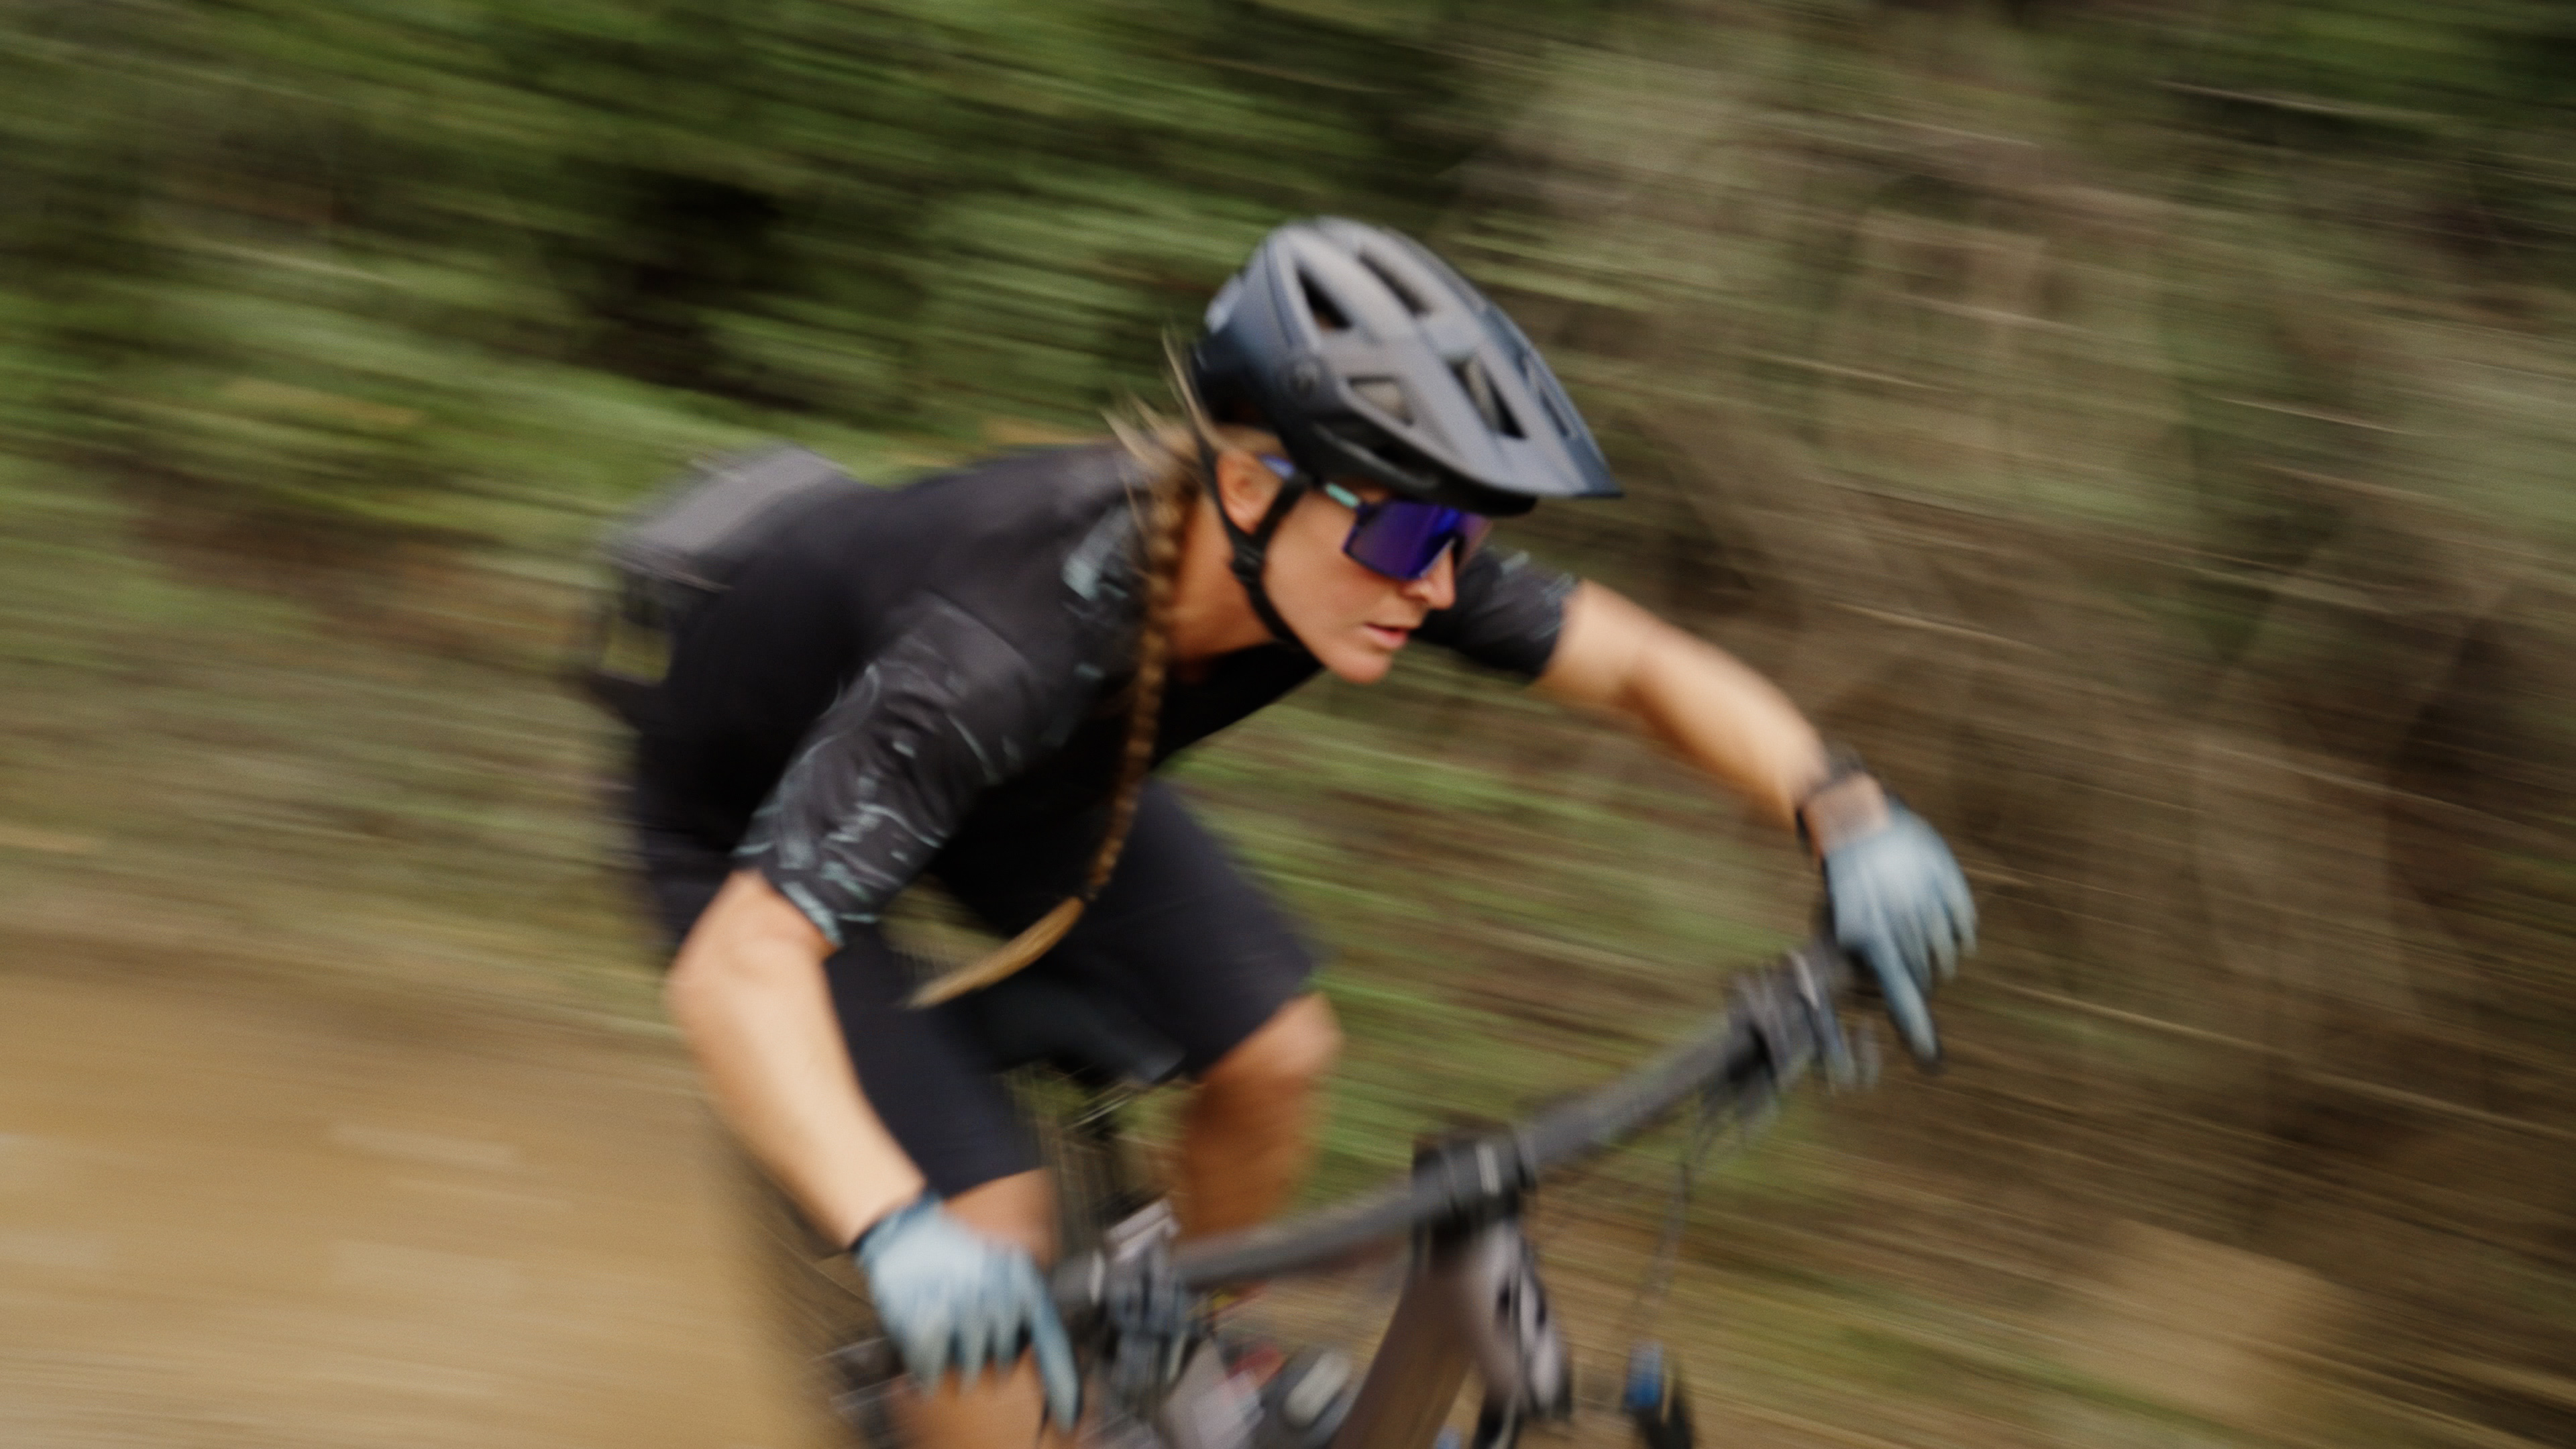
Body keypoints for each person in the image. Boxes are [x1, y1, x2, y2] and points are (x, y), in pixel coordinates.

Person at [636, 217, 1975, 1445]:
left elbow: (1634, 663)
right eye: (1410, 532)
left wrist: (1844, 812)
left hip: (1028, 782)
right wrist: (895, 1229)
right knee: (990, 1240)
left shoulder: (1353, 549)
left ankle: (1193, 1360)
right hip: (753, 818)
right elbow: (740, 967)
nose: (1436, 583)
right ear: (1244, 483)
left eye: (1462, 532)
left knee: (1279, 1055)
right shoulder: (997, 650)